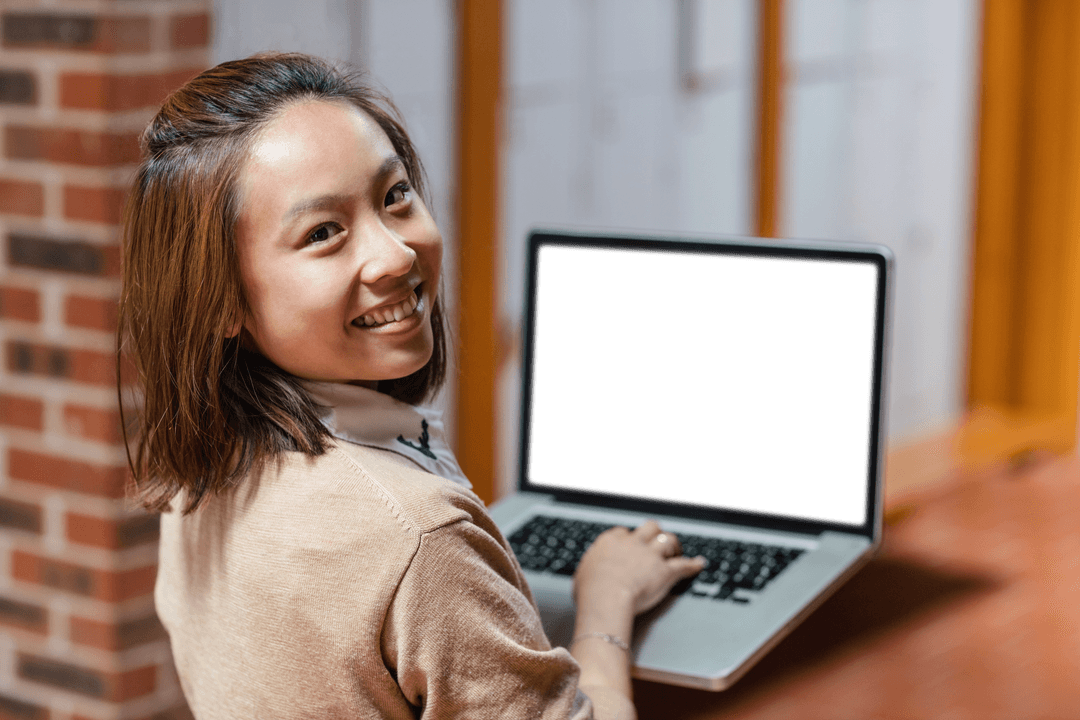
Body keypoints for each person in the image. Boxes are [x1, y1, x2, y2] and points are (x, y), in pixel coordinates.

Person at [118, 53, 705, 719]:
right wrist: (606, 604)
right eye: (322, 233)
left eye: (394, 195)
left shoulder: (197, 469)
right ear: (220, 299)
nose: (397, 254)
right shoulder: (417, 537)